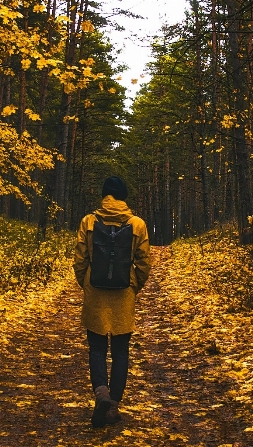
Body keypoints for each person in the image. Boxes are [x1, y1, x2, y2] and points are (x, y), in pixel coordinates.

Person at [73, 176, 151, 428]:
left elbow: (80, 259)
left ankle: (101, 394)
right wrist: (133, 286)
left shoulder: (89, 221)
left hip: (95, 292)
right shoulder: (137, 224)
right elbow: (144, 263)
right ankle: (114, 403)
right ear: (124, 197)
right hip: (123, 295)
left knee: (96, 349)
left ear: (104, 196)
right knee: (120, 352)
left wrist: (85, 284)